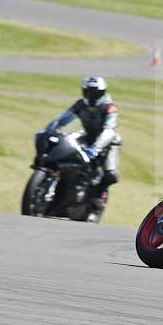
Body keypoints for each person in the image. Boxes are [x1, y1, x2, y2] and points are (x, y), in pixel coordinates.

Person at [45, 76, 121, 219]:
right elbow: (64, 119)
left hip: (109, 142)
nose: (91, 97)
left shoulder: (109, 108)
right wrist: (50, 129)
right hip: (88, 137)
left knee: (111, 174)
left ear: (102, 93)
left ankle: (95, 209)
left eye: (95, 93)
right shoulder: (80, 104)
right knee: (65, 150)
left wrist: (96, 148)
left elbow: (109, 131)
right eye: (88, 92)